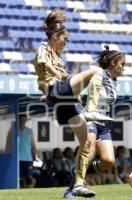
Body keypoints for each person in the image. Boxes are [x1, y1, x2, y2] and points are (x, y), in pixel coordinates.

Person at [32, 9, 98, 197]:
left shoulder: (59, 57)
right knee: (95, 72)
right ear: (54, 36)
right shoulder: (44, 48)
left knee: (88, 144)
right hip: (57, 92)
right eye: (64, 39)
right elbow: (44, 67)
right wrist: (56, 79)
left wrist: (70, 92)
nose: (66, 43)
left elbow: (46, 80)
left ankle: (74, 186)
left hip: (65, 100)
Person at [63, 45, 126, 198]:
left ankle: (78, 171)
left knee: (108, 161)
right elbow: (93, 92)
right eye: (122, 64)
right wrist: (91, 110)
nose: (124, 68)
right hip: (91, 118)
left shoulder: (114, 80)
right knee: (88, 150)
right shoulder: (99, 75)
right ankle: (75, 187)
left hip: (103, 124)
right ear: (113, 63)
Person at [6, 114, 38, 188]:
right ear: (18, 120)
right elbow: (8, 144)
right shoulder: (12, 130)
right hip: (16, 158)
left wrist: (35, 155)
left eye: (24, 119)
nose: (23, 121)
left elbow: (33, 144)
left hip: (28, 158)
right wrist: (7, 155)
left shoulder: (30, 131)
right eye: (21, 119)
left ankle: (30, 191)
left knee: (28, 178)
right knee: (19, 178)